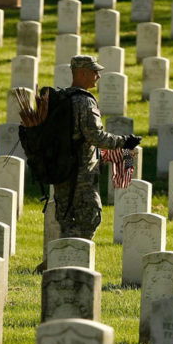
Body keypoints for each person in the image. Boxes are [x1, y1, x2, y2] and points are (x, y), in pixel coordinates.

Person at [51, 55, 142, 242]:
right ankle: (73, 259)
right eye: (95, 72)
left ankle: (57, 261)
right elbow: (95, 136)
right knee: (90, 217)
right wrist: (124, 142)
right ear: (83, 73)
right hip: (82, 172)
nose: (98, 77)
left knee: (66, 219)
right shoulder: (85, 101)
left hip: (61, 171)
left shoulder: (60, 98)